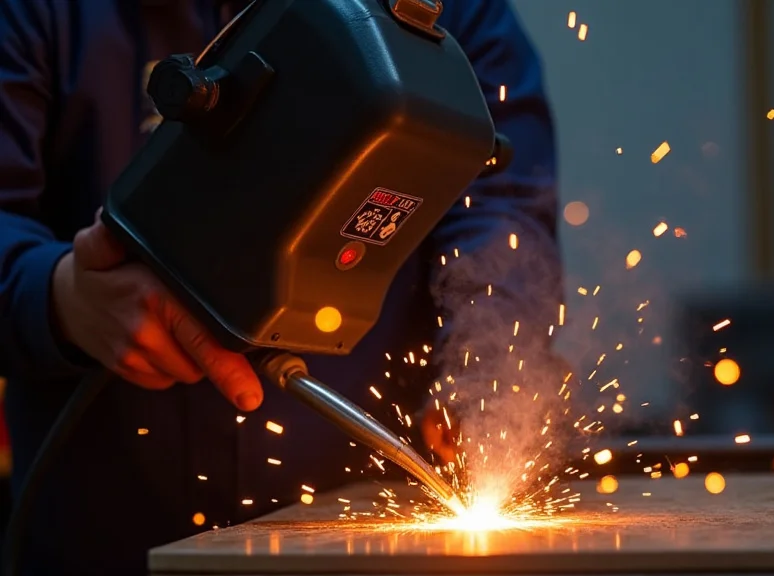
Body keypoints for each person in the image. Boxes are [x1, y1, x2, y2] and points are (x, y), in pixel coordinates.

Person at [0, 0, 561, 573]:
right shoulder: (42, 13)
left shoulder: (456, 10)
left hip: (367, 545)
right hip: (104, 539)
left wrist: (485, 359)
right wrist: (56, 298)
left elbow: (503, 204)